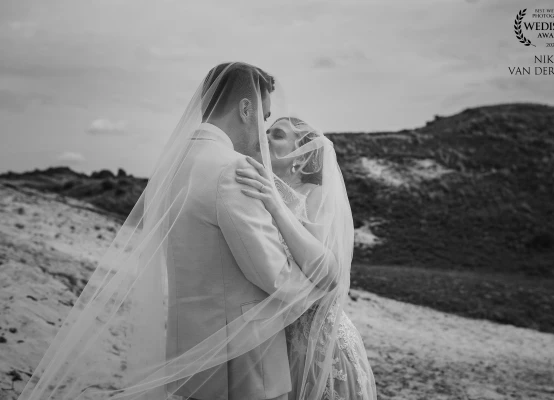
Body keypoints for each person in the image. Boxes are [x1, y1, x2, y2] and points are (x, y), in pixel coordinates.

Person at [16, 62, 370, 400]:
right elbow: (274, 274)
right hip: (245, 362)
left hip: (191, 349)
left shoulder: (174, 165)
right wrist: (323, 287)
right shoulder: (232, 170)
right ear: (246, 110)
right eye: (264, 118)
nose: (263, 131)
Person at [236, 117, 377, 400]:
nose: (264, 137)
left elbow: (326, 273)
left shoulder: (315, 195)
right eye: (266, 131)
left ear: (299, 159)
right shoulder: (260, 192)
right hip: (275, 343)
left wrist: (276, 207)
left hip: (320, 347)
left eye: (276, 134)